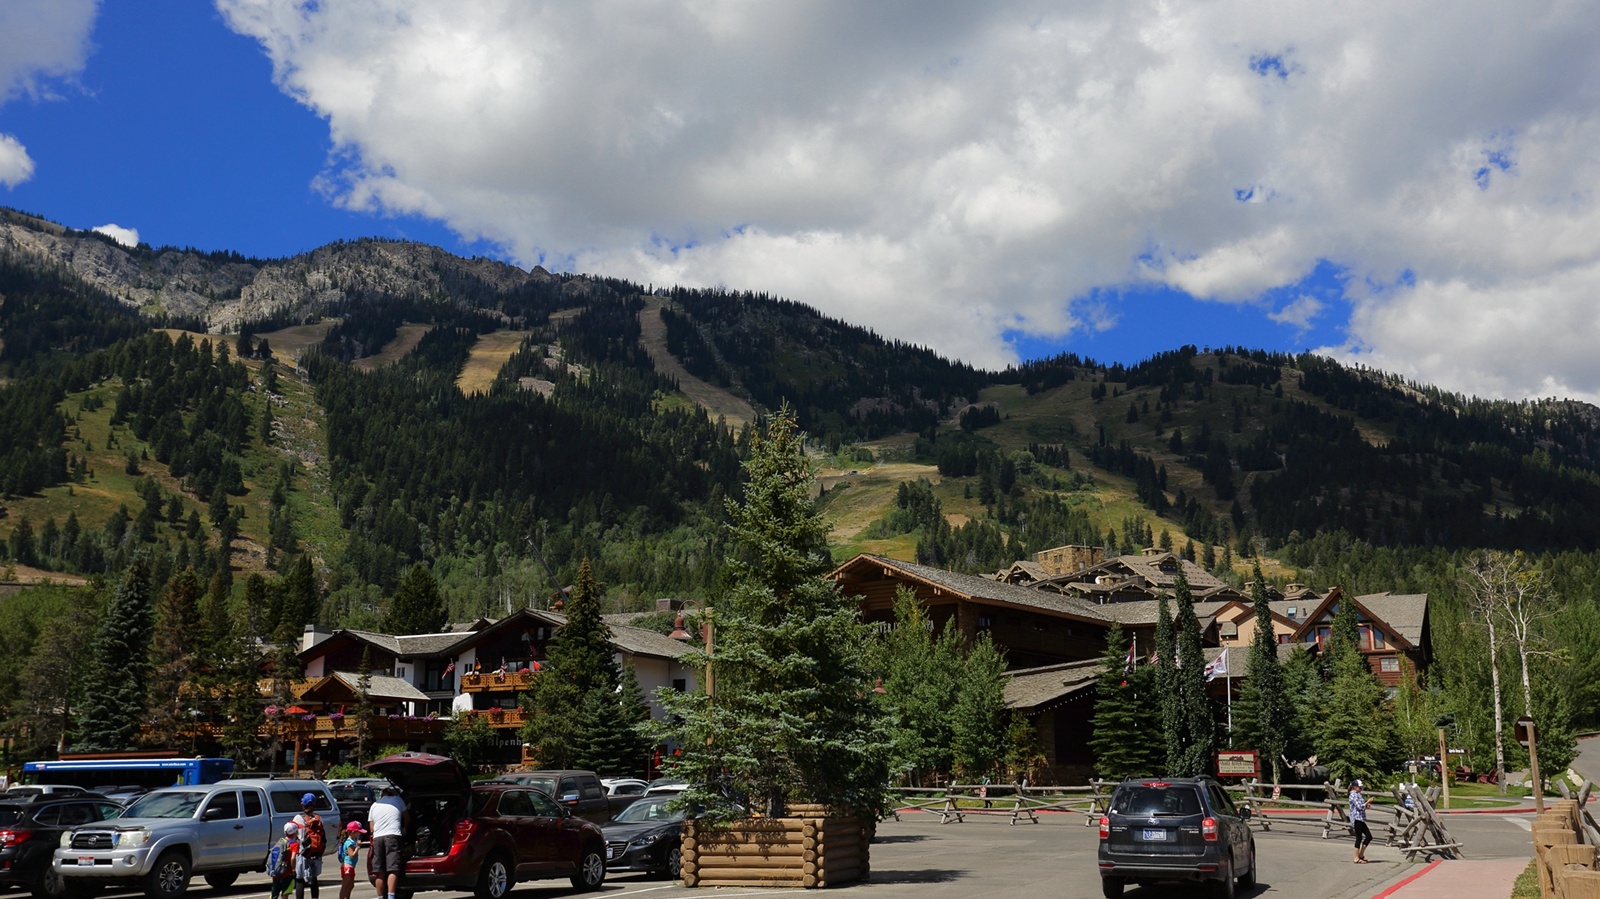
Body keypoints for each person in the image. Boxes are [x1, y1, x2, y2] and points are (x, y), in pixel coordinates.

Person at [368, 785, 409, 899]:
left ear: (381, 795)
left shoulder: (374, 805)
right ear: (392, 794)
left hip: (378, 837)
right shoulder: (398, 800)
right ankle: (391, 896)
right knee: (393, 868)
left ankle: (380, 896)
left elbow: (371, 828)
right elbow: (407, 817)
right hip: (393, 836)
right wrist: (404, 829)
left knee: (379, 870)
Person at [294, 793, 329, 899]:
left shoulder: (299, 818)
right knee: (313, 879)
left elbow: (295, 835)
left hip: (303, 853)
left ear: (302, 804)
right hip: (316, 853)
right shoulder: (319, 818)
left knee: (300, 879)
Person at [269, 822, 300, 899]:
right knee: (285, 893)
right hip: (287, 872)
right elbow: (293, 858)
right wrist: (293, 869)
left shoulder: (280, 841)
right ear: (295, 832)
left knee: (274, 893)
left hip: (277, 871)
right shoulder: (294, 844)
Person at [337, 821, 365, 899]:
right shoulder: (349, 843)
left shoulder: (353, 841)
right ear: (353, 832)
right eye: (358, 832)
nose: (359, 834)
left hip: (351, 866)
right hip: (347, 866)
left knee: (351, 885)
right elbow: (351, 855)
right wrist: (358, 847)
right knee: (345, 886)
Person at [1349, 779, 1372, 863]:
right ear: (1355, 787)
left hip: (1361, 818)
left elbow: (1362, 805)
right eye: (1360, 787)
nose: (1361, 789)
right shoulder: (1353, 795)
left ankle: (1361, 854)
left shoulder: (1358, 794)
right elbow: (1359, 806)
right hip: (1356, 819)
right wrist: (1367, 802)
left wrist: (1366, 805)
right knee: (1359, 837)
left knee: (1369, 836)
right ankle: (1356, 857)